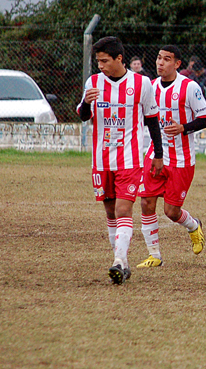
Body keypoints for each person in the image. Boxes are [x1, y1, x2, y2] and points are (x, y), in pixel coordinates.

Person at [77, 36, 163, 285]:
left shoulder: (141, 83)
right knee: (109, 210)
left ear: (119, 59)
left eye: (105, 61)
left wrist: (158, 154)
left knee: (123, 209)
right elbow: (83, 115)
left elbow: (152, 119)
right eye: (98, 61)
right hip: (101, 160)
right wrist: (86, 102)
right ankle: (123, 264)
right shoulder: (93, 82)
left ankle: (117, 260)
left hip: (130, 159)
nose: (100, 66)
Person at [136, 45, 206, 268]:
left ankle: (193, 226)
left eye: (166, 59)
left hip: (182, 159)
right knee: (147, 202)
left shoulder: (189, 87)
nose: (160, 63)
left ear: (177, 64)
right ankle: (154, 255)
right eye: (159, 58)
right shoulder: (149, 87)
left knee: (171, 211)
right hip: (156, 154)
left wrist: (184, 128)